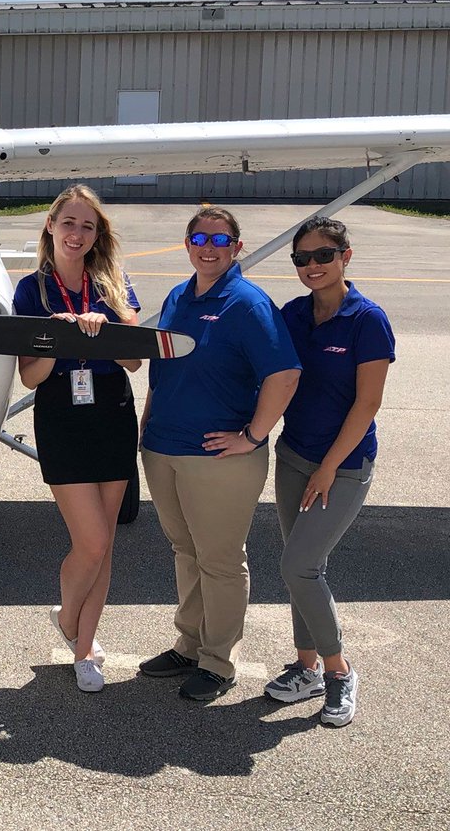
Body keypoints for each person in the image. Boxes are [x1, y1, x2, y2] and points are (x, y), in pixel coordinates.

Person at [139, 206, 301, 701]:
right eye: (200, 238)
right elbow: (164, 366)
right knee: (186, 551)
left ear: (236, 246)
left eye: (220, 239)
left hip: (219, 459)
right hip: (163, 447)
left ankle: (218, 661)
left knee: (221, 560)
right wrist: (148, 423)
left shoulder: (246, 303)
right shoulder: (178, 295)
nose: (209, 247)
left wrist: (252, 436)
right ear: (187, 244)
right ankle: (188, 645)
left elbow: (285, 374)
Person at [263, 217, 393, 727]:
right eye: (301, 258)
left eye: (323, 255)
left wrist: (329, 469)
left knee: (299, 566)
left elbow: (368, 403)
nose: (312, 266)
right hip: (294, 455)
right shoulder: (294, 315)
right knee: (301, 567)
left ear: (345, 257)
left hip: (343, 465)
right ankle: (306, 666)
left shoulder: (367, 319)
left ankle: (338, 671)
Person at [13, 184, 142, 693]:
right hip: (62, 417)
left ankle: (85, 648)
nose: (77, 233)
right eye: (68, 222)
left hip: (111, 412)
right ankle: (69, 619)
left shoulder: (113, 284)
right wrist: (57, 334)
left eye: (87, 226)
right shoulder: (30, 290)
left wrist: (104, 329)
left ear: (97, 235)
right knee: (89, 540)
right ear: (50, 226)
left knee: (105, 544)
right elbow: (30, 376)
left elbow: (134, 359)